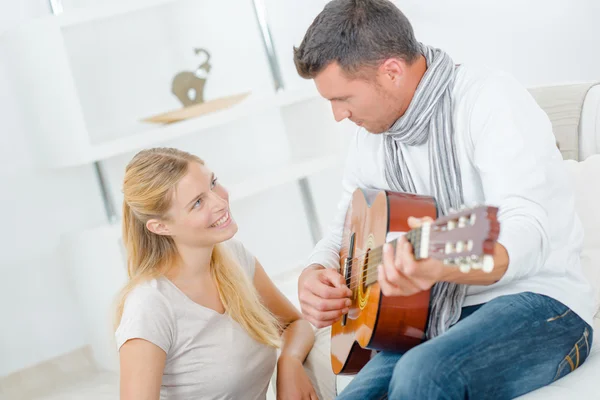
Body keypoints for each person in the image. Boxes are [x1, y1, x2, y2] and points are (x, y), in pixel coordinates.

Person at [293, 0, 595, 399]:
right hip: (430, 319)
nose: (337, 115)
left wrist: (445, 264)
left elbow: (529, 228)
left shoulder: (489, 99)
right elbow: (344, 229)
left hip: (543, 305)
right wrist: (315, 271)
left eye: (343, 98)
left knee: (424, 374)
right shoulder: (370, 141)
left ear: (392, 71)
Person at [114, 147, 318, 400]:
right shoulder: (150, 306)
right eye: (198, 203)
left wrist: (289, 362)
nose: (220, 202)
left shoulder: (234, 258)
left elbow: (294, 324)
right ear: (160, 226)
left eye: (213, 184)